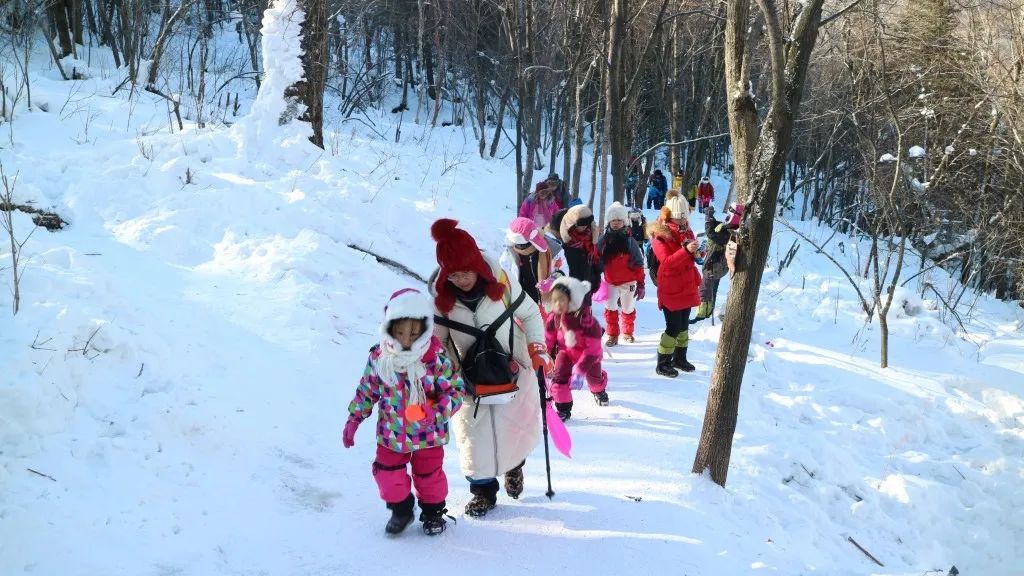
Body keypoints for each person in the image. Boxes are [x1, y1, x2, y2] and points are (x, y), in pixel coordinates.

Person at [429, 218, 553, 518]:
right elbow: (438, 342)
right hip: (469, 380)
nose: (462, 279)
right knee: (473, 438)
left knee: (514, 428)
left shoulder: (504, 283)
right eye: (454, 274)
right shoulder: (439, 301)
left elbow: (532, 315)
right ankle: (483, 491)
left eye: (467, 271)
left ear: (478, 266)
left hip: (514, 368)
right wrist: (444, 375)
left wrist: (537, 349)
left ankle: (514, 466)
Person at [342, 288, 464, 536]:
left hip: (428, 435)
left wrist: (436, 411)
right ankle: (402, 510)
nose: (406, 339)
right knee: (387, 477)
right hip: (391, 435)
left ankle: (432, 513)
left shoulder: (436, 359)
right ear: (389, 329)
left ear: (425, 330)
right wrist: (354, 418)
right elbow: (367, 391)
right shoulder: (380, 358)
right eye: (399, 332)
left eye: (414, 333)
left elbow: (455, 392)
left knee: (430, 477)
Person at [647, 192, 702, 377]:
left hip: (686, 284)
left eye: (685, 216)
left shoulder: (686, 231)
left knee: (684, 326)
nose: (682, 220)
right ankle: (663, 363)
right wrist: (686, 250)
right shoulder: (659, 236)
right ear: (669, 214)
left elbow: (689, 257)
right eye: (678, 216)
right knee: (673, 327)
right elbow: (668, 261)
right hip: (670, 286)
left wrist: (697, 253)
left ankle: (680, 359)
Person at [544, 275, 608, 421]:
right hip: (565, 351)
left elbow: (592, 350)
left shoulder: (589, 322)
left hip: (588, 355)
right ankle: (563, 407)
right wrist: (545, 354)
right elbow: (549, 337)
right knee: (559, 377)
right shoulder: (554, 317)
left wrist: (580, 371)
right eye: (555, 300)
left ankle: (599, 390)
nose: (558, 304)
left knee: (594, 380)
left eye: (562, 300)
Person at [498, 216, 569, 320]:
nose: (520, 249)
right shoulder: (509, 255)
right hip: (522, 305)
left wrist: (553, 280)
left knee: (548, 333)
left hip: (548, 303)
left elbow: (565, 271)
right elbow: (503, 280)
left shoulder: (553, 250)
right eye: (518, 245)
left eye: (524, 246)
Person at [596, 202, 646, 345]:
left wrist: (641, 283)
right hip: (610, 282)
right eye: (613, 220)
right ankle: (612, 335)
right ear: (609, 222)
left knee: (627, 308)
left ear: (624, 222)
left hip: (629, 282)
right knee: (610, 308)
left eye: (619, 220)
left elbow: (639, 263)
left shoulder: (630, 242)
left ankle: (628, 333)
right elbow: (596, 258)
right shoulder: (603, 241)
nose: (616, 223)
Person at [558, 204, 604, 304]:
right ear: (573, 224)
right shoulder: (566, 244)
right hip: (571, 286)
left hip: (587, 283)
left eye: (586, 224)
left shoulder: (592, 239)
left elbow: (597, 261)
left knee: (585, 314)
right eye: (581, 224)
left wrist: (596, 278)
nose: (584, 227)